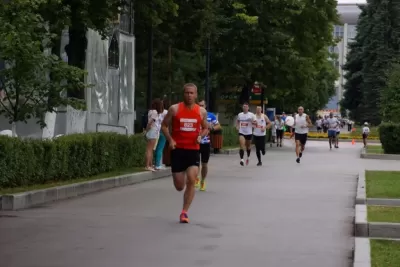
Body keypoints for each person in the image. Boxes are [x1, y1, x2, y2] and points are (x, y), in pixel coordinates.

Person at [161, 83, 209, 223]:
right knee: (179, 186)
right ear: (184, 94)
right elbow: (164, 126)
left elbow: (206, 128)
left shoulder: (201, 111)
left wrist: (201, 135)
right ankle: (179, 183)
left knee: (192, 180)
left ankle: (184, 212)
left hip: (193, 151)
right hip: (178, 151)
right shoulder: (174, 109)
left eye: (192, 93)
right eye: (187, 93)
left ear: (196, 94)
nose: (189, 95)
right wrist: (170, 140)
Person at [195, 100, 221, 191]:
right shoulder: (194, 114)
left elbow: (218, 126)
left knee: (204, 164)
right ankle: (196, 179)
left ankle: (202, 181)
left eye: (202, 105)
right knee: (196, 163)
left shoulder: (210, 115)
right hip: (196, 142)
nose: (201, 106)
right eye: (199, 105)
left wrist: (212, 127)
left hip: (206, 143)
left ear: (205, 106)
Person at [145, 99, 163, 171]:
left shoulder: (151, 111)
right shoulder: (155, 112)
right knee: (149, 149)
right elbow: (151, 122)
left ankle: (150, 164)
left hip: (152, 131)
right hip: (153, 131)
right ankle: (147, 165)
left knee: (151, 149)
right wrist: (147, 130)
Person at [154, 99, 169, 170]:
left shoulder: (155, 112)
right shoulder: (166, 112)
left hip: (155, 131)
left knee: (155, 148)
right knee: (160, 148)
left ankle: (154, 163)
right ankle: (158, 164)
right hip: (163, 131)